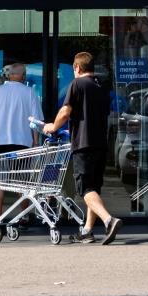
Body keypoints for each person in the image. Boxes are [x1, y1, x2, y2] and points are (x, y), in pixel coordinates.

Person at [44, 51, 122, 245]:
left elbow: (65, 111)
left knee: (86, 189)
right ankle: (87, 230)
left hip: (83, 144)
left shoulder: (77, 84)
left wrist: (52, 127)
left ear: (77, 67)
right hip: (100, 144)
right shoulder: (102, 87)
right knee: (93, 188)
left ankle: (109, 220)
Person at [0, 62, 43, 219]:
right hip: (22, 143)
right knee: (22, 182)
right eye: (24, 73)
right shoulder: (29, 93)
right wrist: (35, 142)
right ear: (22, 76)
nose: (25, 76)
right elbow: (35, 122)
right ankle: (23, 216)